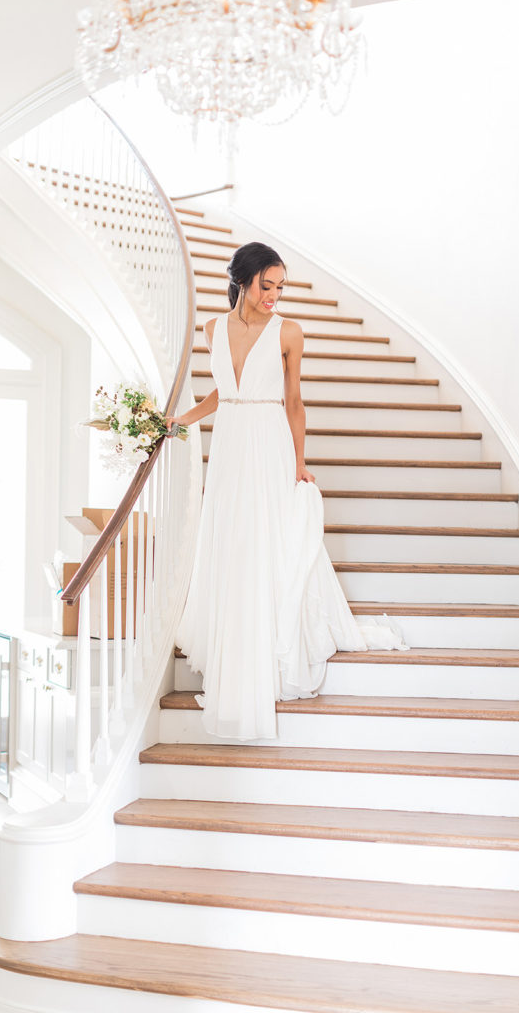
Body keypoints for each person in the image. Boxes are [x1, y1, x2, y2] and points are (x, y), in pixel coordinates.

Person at [166, 241, 409, 741]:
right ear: (243, 280)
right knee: (233, 540)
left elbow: (294, 400)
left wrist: (299, 463)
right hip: (231, 444)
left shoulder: (289, 332)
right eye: (266, 285)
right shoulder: (212, 329)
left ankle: (270, 644)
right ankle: (235, 643)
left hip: (269, 441)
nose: (274, 294)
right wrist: (180, 422)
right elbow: (222, 390)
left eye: (280, 286)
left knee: (268, 539)